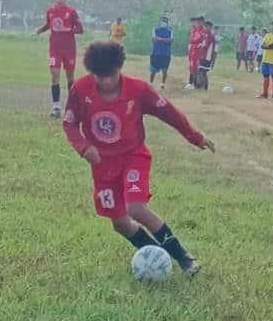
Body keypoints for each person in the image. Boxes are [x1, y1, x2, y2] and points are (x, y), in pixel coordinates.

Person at [62, 41, 216, 276]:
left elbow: (171, 114)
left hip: (133, 156)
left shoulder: (138, 90)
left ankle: (183, 257)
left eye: (110, 75)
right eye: (98, 76)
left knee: (136, 208)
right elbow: (69, 122)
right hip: (102, 165)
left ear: (119, 67)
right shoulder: (81, 90)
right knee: (120, 223)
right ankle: (155, 256)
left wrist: (195, 137)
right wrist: (83, 147)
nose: (104, 81)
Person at [36, 0, 84, 118]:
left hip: (69, 50)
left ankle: (73, 107)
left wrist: (68, 29)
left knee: (70, 77)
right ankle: (56, 107)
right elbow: (48, 24)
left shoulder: (71, 12)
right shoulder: (50, 11)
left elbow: (80, 29)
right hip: (55, 49)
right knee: (54, 75)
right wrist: (41, 29)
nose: (60, 0)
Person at [149, 16, 173, 90]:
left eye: (165, 21)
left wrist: (160, 39)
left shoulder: (170, 31)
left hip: (166, 54)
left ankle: (162, 84)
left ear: (167, 23)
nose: (164, 23)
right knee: (153, 70)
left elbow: (170, 40)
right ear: (160, 22)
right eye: (163, 21)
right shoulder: (155, 29)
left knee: (165, 70)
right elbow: (154, 39)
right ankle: (151, 83)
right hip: (156, 53)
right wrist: (164, 40)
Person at [186, 16, 205, 89]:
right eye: (197, 22)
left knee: (199, 70)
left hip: (199, 53)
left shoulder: (203, 31)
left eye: (199, 22)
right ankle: (193, 83)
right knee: (192, 69)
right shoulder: (194, 31)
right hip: (193, 52)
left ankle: (200, 85)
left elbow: (196, 40)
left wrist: (194, 41)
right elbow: (191, 40)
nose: (198, 23)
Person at [197, 21, 216, 90]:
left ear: (210, 27)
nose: (205, 28)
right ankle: (204, 87)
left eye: (206, 27)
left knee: (201, 72)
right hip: (204, 56)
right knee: (203, 72)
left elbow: (205, 46)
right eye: (205, 27)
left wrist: (200, 46)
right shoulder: (206, 35)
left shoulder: (210, 36)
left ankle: (202, 86)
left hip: (206, 57)